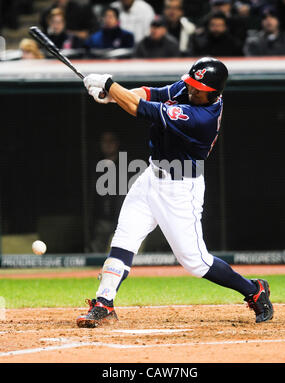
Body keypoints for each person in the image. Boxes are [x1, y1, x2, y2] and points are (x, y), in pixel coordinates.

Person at [76, 56, 274, 327]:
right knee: (124, 237)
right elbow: (151, 94)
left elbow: (142, 109)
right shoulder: (190, 90)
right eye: (191, 84)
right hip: (150, 178)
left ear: (214, 93)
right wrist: (112, 96)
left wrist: (110, 86)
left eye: (198, 88)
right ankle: (104, 302)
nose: (190, 90)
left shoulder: (201, 118)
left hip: (180, 189)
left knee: (195, 262)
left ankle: (254, 290)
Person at [89, 131, 125, 253]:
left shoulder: (127, 164)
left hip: (123, 219)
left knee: (122, 255)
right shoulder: (95, 166)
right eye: (105, 141)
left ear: (117, 143)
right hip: (102, 220)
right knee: (96, 254)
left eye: (111, 141)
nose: (108, 144)